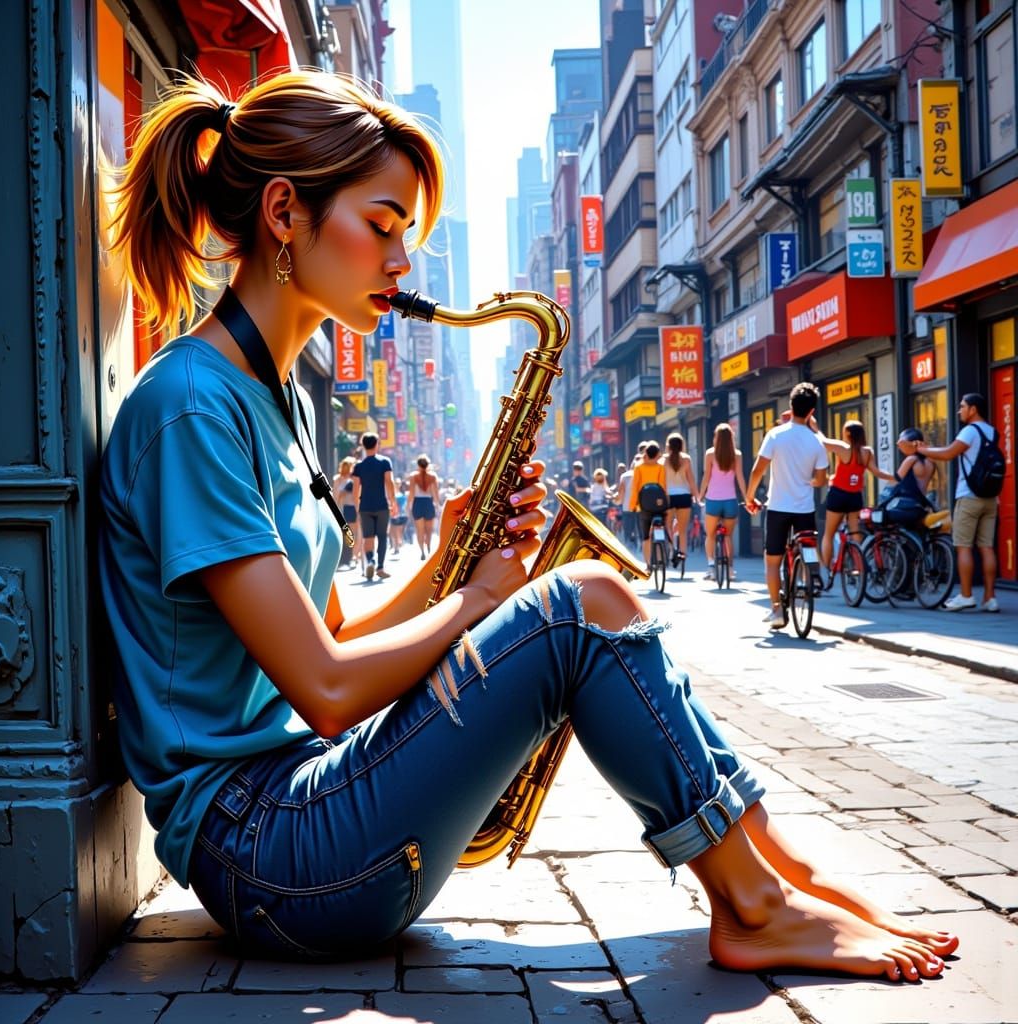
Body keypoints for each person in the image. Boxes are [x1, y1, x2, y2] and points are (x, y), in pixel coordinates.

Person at [97, 71, 956, 979]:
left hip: (311, 811)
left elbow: (334, 638)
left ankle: (774, 865)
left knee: (593, 598)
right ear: (283, 212)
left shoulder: (272, 400)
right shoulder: (192, 405)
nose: (401, 262)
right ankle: (754, 905)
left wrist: (448, 568)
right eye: (382, 226)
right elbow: (326, 686)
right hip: (266, 852)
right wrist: (476, 601)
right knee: (582, 600)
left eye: (409, 237)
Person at [745, 383, 829, 629]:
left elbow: (758, 469)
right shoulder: (817, 442)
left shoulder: (776, 435)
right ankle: (807, 574)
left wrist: (750, 497)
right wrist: (807, 481)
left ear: (790, 407)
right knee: (806, 545)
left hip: (778, 508)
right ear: (811, 411)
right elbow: (821, 480)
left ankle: (777, 610)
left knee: (773, 561)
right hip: (805, 510)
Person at [918, 393, 1000, 612]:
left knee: (963, 546)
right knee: (986, 547)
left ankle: (966, 595)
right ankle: (990, 598)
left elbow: (947, 453)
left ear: (973, 409)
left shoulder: (970, 431)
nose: (959, 410)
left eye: (962, 407)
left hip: (969, 496)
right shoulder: (992, 431)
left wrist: (922, 450)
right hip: (990, 498)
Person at [817, 420, 896, 573]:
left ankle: (826, 569)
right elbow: (877, 472)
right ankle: (858, 568)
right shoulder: (867, 452)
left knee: (828, 534)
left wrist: (814, 426)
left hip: (838, 494)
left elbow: (822, 441)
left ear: (848, 433)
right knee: (855, 533)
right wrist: (895, 478)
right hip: (855, 497)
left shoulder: (843, 448)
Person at [699, 423, 747, 581]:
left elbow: (706, 477)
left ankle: (711, 567)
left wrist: (700, 495)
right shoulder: (737, 455)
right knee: (728, 536)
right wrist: (747, 497)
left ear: (717, 438)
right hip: (730, 500)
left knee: (710, 535)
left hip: (713, 500)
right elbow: (740, 477)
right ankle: (731, 569)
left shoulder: (710, 454)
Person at [353, 432, 396, 579]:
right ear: (377, 444)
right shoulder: (385, 462)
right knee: (382, 537)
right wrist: (393, 502)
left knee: (368, 538)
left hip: (365, 506)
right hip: (382, 505)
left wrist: (357, 507)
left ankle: (370, 560)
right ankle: (380, 568)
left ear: (363, 446)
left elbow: (355, 489)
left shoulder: (359, 466)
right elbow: (389, 483)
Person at [663, 432, 699, 566]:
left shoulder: (663, 460)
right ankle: (683, 553)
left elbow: (661, 480)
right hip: (684, 496)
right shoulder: (686, 459)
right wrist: (697, 496)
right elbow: (691, 480)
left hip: (668, 497)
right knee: (683, 529)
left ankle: (672, 550)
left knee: (668, 526)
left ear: (668, 446)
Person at [630, 441, 667, 569]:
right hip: (658, 504)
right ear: (657, 454)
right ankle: (661, 557)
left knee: (645, 536)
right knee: (660, 527)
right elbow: (663, 486)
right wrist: (666, 502)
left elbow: (635, 488)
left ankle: (648, 564)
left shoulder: (638, 467)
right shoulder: (661, 467)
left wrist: (633, 505)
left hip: (643, 505)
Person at [408, 454, 440, 560]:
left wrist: (408, 506)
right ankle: (429, 547)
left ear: (418, 464)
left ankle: (422, 550)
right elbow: (435, 493)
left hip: (417, 503)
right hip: (428, 502)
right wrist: (438, 506)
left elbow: (411, 493)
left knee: (419, 530)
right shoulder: (433, 476)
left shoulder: (413, 476)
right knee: (429, 530)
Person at [334, 456, 360, 570]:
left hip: (352, 508)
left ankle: (352, 557)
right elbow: (335, 496)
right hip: (342, 509)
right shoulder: (337, 479)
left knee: (351, 534)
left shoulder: (355, 479)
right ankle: (345, 558)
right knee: (345, 534)